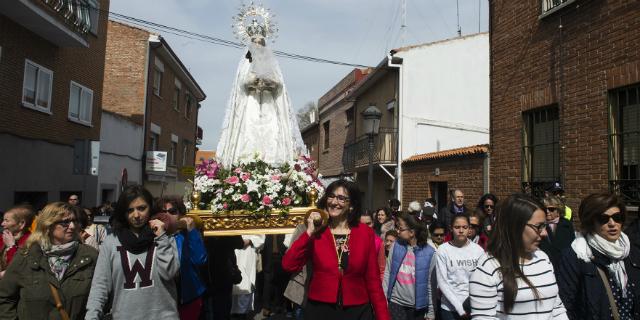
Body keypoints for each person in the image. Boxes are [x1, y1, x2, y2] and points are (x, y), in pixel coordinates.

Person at [282, 180, 390, 320]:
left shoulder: (365, 233)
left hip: (357, 310)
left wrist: (383, 316)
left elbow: (373, 281)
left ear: (351, 205)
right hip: (320, 308)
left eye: (341, 198)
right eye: (331, 196)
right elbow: (288, 264)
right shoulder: (316, 230)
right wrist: (309, 233)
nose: (334, 202)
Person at [85, 185, 180, 320]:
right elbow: (100, 286)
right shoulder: (111, 242)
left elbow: (169, 273)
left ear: (151, 208)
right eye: (130, 210)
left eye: (141, 208)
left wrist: (161, 238)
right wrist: (92, 316)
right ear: (123, 213)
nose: (136, 215)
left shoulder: (165, 237)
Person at [469, 194, 567, 319]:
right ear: (515, 226)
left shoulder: (543, 258)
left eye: (545, 226)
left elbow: (557, 308)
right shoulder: (488, 267)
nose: (544, 233)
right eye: (539, 227)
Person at [0, 202, 97, 319]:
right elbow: (5, 298)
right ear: (48, 225)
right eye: (65, 222)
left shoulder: (90, 256)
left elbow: (101, 297)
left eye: (75, 221)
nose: (72, 226)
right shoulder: (26, 255)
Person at [557, 193, 639, 319]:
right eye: (603, 219)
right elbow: (566, 305)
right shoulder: (577, 255)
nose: (612, 223)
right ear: (591, 222)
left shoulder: (631, 251)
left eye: (617, 217)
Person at [159, 196, 208, 320]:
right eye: (163, 211)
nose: (167, 215)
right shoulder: (152, 237)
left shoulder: (186, 236)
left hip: (188, 298)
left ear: (180, 215)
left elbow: (200, 259)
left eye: (172, 212)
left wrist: (191, 231)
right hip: (162, 300)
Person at [383, 212, 436, 320]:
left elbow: (430, 284)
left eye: (401, 229)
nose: (397, 231)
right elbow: (387, 273)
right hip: (396, 303)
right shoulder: (396, 246)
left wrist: (431, 311)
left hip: (417, 307)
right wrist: (384, 299)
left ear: (412, 232)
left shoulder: (430, 253)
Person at [435, 215, 484, 319]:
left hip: (473, 307)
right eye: (457, 227)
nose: (461, 230)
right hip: (450, 309)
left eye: (464, 227)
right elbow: (442, 282)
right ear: (451, 228)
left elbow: (483, 280)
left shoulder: (478, 250)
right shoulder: (443, 250)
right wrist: (460, 308)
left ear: (469, 228)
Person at [231, 235, 265, 317]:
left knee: (245, 285)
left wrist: (250, 241)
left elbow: (260, 236)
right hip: (232, 250)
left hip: (247, 252)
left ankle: (242, 314)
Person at [539, 195, 574, 272]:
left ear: (558, 210)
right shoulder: (539, 225)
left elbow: (572, 245)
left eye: (551, 209)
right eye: (545, 209)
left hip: (565, 267)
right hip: (545, 265)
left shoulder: (567, 224)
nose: (547, 211)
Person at [0, 204, 35, 278]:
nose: (2, 224)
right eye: (3, 220)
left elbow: (18, 268)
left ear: (21, 224)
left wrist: (11, 246)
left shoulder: (32, 242)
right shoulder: (3, 237)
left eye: (7, 221)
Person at [361, 211, 387, 278]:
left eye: (368, 223)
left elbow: (382, 269)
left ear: (373, 223)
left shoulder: (379, 242)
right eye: (362, 224)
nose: (365, 227)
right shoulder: (351, 239)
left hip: (371, 280)